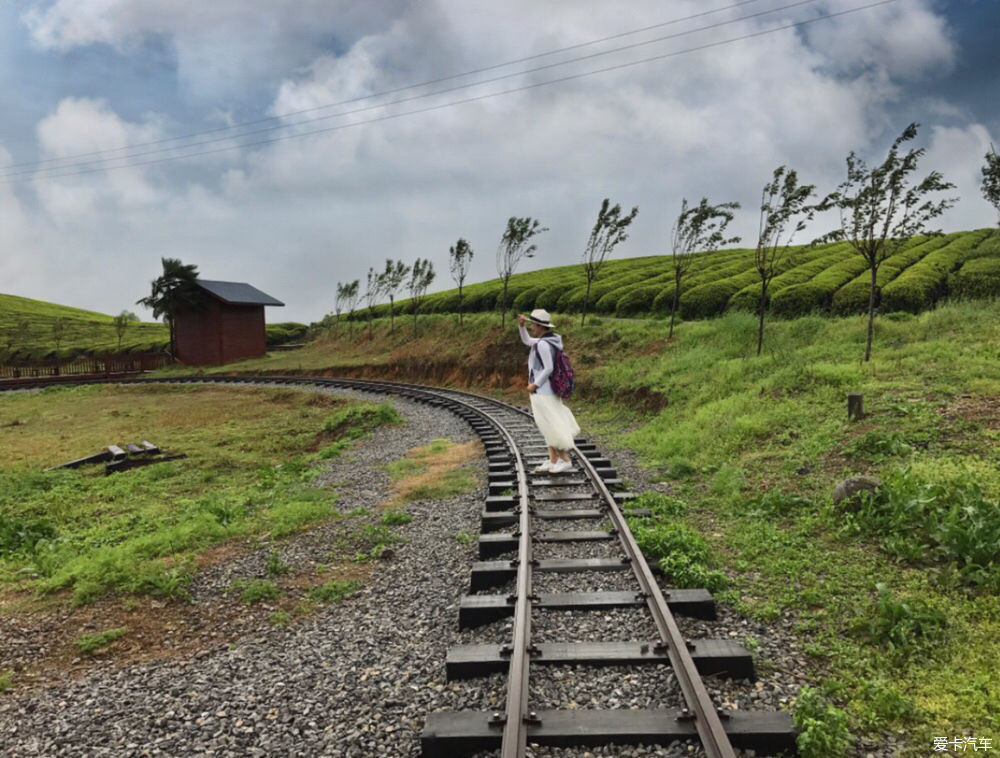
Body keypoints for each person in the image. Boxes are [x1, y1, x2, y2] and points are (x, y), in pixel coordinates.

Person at [517, 308, 580, 474]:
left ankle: (565, 460)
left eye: (532, 325)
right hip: (545, 391)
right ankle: (553, 461)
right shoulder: (547, 341)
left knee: (550, 425)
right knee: (547, 426)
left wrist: (535, 385)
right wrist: (521, 326)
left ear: (539, 326)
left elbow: (548, 368)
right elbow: (526, 341)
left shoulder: (544, 344)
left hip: (543, 391)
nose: (532, 328)